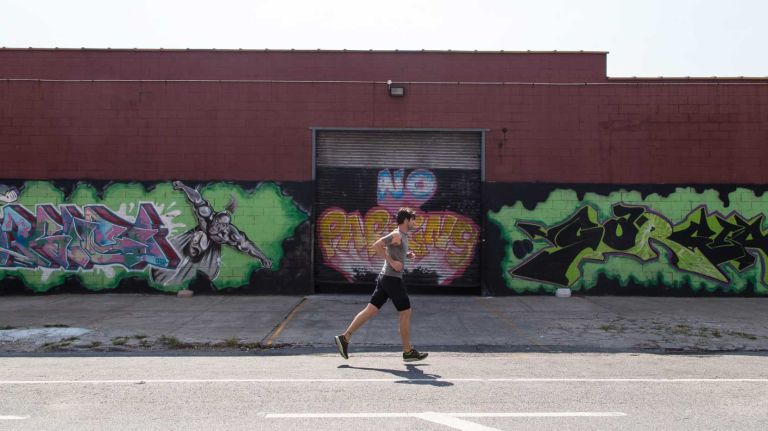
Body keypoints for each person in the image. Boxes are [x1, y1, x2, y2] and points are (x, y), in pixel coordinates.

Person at [334, 207, 428, 362]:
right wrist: (392, 262)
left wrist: (406, 255)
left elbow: (393, 250)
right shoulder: (396, 234)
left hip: (386, 278)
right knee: (405, 312)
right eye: (413, 220)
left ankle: (344, 338)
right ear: (406, 220)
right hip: (392, 279)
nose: (414, 223)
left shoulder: (402, 236)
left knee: (370, 310)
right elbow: (377, 245)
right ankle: (408, 351)